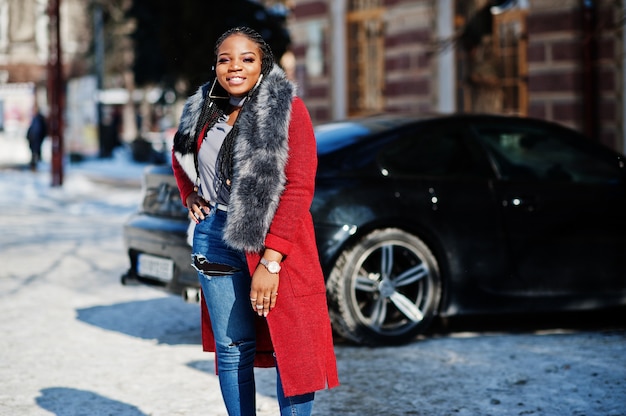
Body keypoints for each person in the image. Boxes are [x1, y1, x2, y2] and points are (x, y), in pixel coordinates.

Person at [171, 26, 339, 416]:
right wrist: (190, 193)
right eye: (225, 58)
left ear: (262, 63)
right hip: (214, 237)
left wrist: (272, 258)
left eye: (247, 58)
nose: (235, 67)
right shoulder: (200, 107)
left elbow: (299, 186)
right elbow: (180, 154)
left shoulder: (286, 108)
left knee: (291, 348)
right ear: (215, 65)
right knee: (233, 349)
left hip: (274, 241)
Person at [26, 105, 47, 171]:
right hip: (34, 140)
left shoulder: (38, 119)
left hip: (36, 140)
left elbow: (37, 131)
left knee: (35, 154)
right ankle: (34, 167)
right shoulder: (35, 118)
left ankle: (35, 167)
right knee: (34, 153)